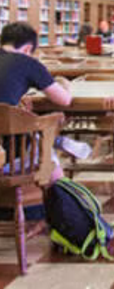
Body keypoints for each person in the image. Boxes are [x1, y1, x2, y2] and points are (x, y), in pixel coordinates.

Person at [0, 23, 90, 181]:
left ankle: (55, 141)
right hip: (7, 152)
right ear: (28, 49)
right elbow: (64, 100)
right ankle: (61, 189)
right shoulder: (28, 63)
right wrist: (64, 84)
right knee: (43, 145)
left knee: (26, 125)